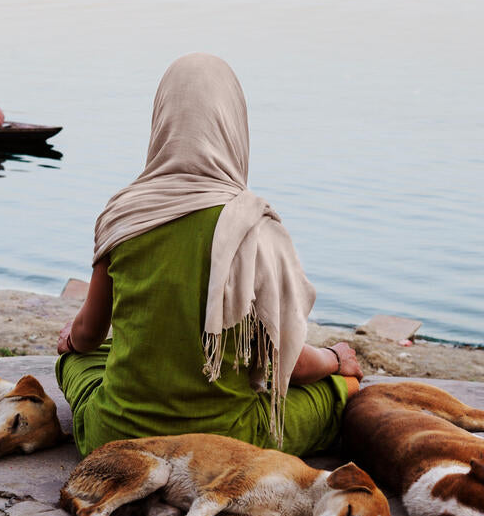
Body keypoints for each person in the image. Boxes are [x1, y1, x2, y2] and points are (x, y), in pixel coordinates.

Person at [56, 53, 362, 459]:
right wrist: (335, 357)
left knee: (75, 360)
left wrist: (72, 341)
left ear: (161, 121)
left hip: (115, 437)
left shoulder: (123, 214)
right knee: (339, 391)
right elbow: (293, 366)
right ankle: (344, 385)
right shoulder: (255, 227)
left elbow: (89, 335)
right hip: (226, 445)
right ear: (234, 124)